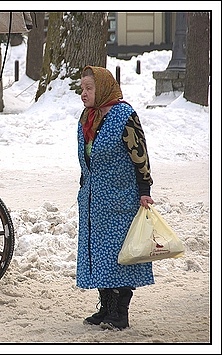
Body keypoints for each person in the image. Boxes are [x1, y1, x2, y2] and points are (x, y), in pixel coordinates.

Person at [76, 65, 155, 330]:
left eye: (89, 88)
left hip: (120, 199)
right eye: (82, 88)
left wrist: (145, 191)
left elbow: (140, 155)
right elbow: (87, 159)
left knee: (121, 257)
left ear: (103, 88)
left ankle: (120, 313)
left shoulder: (124, 115)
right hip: (93, 201)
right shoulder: (88, 117)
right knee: (99, 254)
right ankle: (106, 308)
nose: (84, 93)